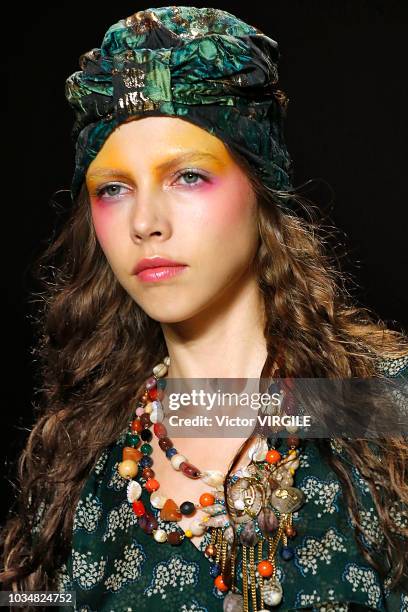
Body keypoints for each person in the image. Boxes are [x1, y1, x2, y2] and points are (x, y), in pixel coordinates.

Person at [1, 5, 408, 612]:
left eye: (187, 176)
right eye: (113, 188)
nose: (146, 223)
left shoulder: (380, 408)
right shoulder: (77, 459)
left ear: (262, 185)